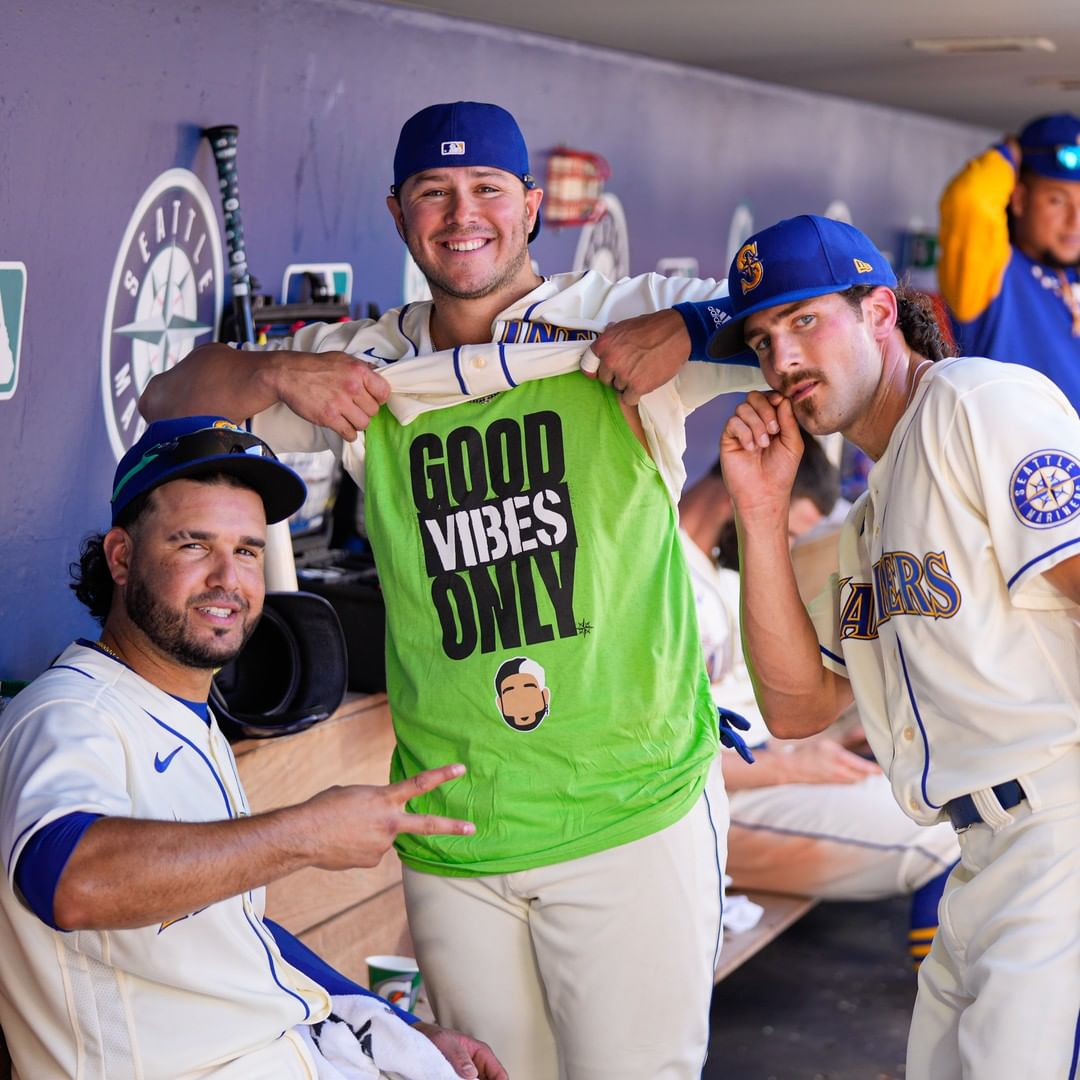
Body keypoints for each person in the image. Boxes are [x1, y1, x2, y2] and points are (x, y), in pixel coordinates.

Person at [139, 102, 764, 1080]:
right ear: (398, 213)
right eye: (434, 192)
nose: (461, 214)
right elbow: (167, 400)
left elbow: (807, 314)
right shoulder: (370, 365)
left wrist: (688, 328)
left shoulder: (617, 313)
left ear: (531, 207)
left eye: (486, 190)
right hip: (456, 829)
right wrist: (283, 371)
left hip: (632, 815)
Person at [0, 416, 506, 1080]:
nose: (228, 578)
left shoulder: (186, 713)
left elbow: (234, 930)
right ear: (121, 557)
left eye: (246, 551)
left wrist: (400, 1025)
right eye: (194, 544)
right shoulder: (70, 712)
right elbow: (72, 882)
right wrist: (306, 832)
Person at [707, 213, 1078, 1080]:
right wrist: (758, 513)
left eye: (804, 320)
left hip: (1058, 830)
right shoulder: (871, 514)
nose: (783, 358)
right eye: (762, 342)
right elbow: (798, 708)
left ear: (879, 311)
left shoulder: (974, 403)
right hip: (981, 855)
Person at [680, 442, 958, 966]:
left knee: (952, 800)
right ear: (738, 489)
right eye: (785, 531)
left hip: (769, 771)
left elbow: (757, 711)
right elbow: (656, 749)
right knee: (941, 833)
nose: (781, 547)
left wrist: (828, 740)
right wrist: (791, 765)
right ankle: (944, 997)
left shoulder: (721, 577)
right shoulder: (656, 571)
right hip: (708, 797)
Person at [938, 112, 1080, 407]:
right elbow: (971, 200)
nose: (1074, 220)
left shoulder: (1071, 275)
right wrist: (1010, 154)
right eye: (1057, 200)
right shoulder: (996, 271)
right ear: (1019, 199)